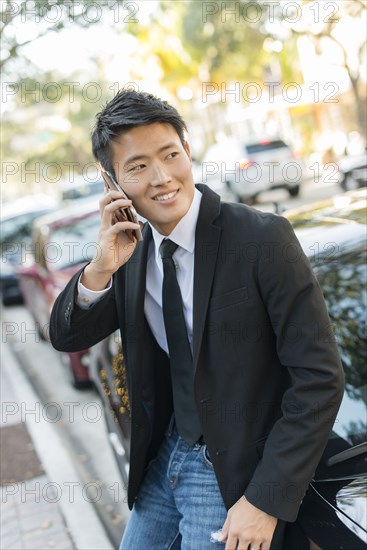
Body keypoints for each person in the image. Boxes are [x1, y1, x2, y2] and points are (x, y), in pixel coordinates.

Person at [50, 90, 344, 550]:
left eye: (170, 155)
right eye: (138, 166)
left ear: (188, 151)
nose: (163, 177)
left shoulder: (262, 239)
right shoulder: (129, 252)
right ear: (112, 180)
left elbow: (320, 379)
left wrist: (264, 500)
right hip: (165, 458)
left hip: (231, 474)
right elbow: (69, 336)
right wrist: (99, 269)